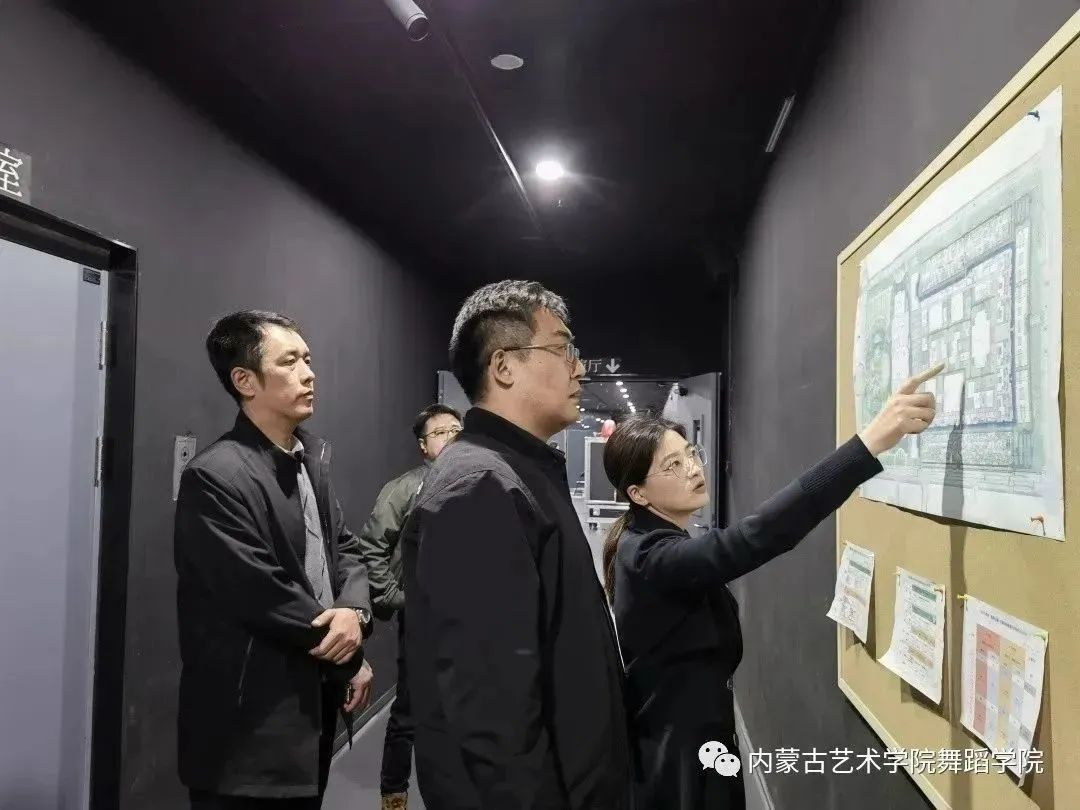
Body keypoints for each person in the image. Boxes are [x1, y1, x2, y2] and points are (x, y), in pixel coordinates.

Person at [601, 363, 945, 810]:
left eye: (689, 454)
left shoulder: (646, 541)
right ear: (639, 494)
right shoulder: (650, 557)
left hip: (695, 741)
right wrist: (868, 444)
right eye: (673, 465)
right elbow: (753, 538)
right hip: (682, 762)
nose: (693, 469)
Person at [400, 280, 630, 810]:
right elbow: (493, 716)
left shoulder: (518, 472)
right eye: (563, 348)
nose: (579, 367)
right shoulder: (479, 487)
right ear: (504, 366)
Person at [174, 310, 376, 809]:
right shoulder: (215, 476)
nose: (309, 374)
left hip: (309, 709)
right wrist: (349, 654)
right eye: (289, 362)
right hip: (249, 735)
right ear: (245, 380)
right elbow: (263, 593)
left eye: (308, 359)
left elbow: (345, 552)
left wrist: (355, 611)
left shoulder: (307, 460)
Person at [357, 403, 463, 810]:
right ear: (423, 445)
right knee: (409, 711)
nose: (451, 437)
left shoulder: (478, 483)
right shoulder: (405, 489)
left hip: (468, 620)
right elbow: (371, 546)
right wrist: (393, 597)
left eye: (457, 429)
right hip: (422, 620)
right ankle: (394, 796)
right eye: (441, 432)